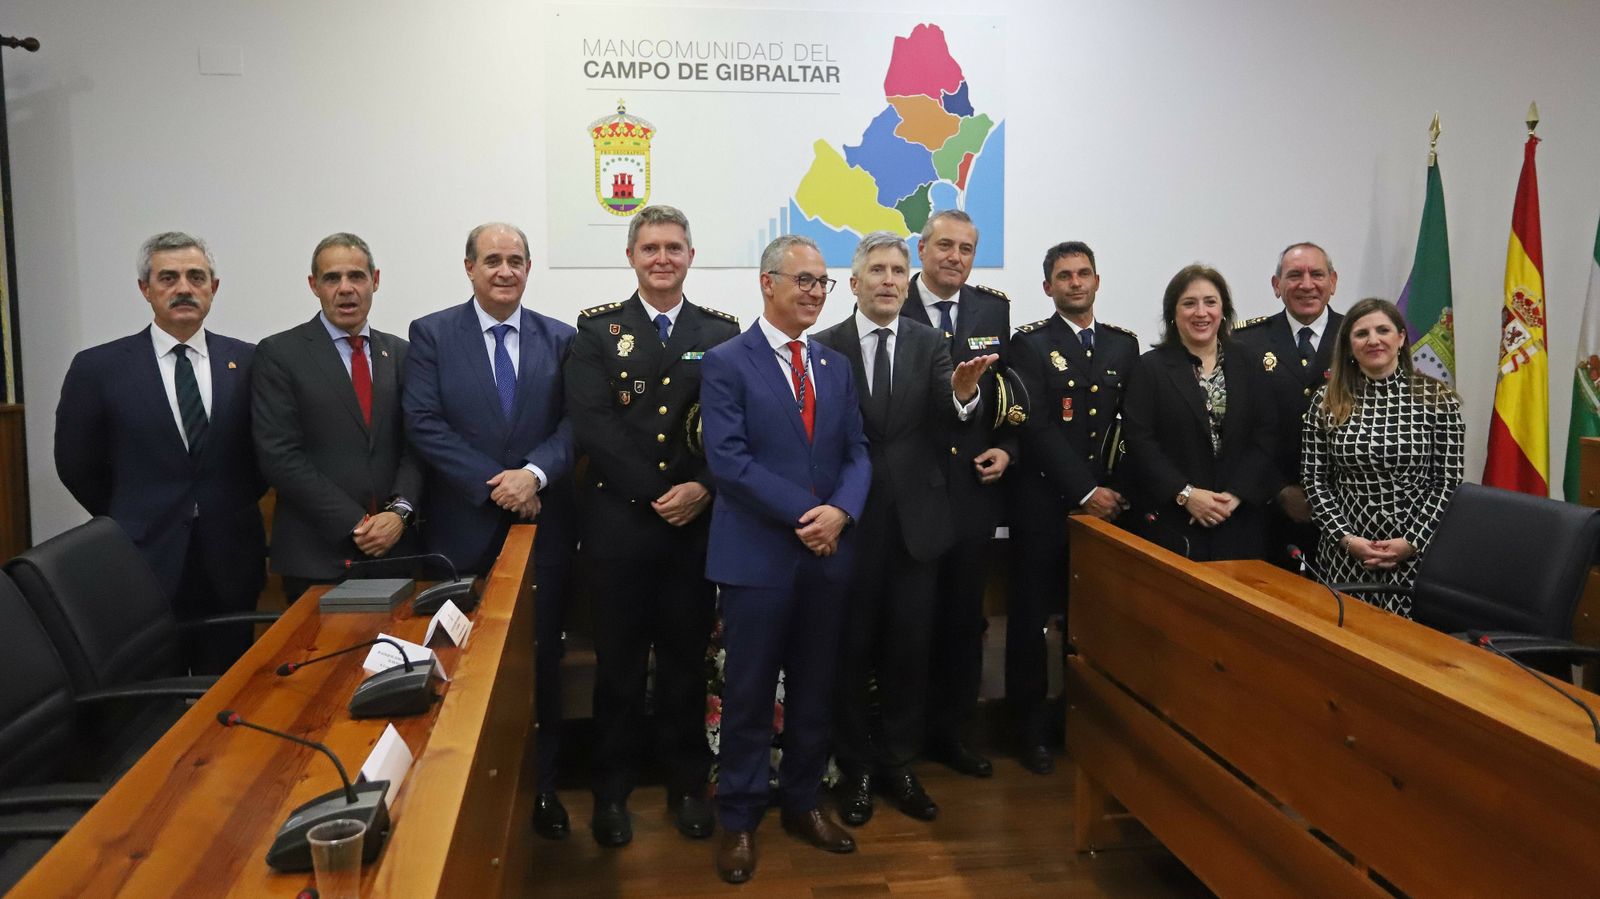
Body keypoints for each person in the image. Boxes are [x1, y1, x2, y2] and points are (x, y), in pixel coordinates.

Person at [564, 205, 739, 847]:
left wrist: (703, 487)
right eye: (650, 247)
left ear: (691, 256)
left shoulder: (721, 333)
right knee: (617, 668)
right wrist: (661, 491)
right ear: (632, 257)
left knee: (686, 667)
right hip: (620, 525)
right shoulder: (598, 332)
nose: (662, 258)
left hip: (694, 527)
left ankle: (687, 786)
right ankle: (611, 794)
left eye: (673, 247)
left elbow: (734, 427)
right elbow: (593, 426)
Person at [700, 235, 871, 884]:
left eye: (821, 282)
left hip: (826, 558)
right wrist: (810, 515)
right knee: (746, 695)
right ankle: (740, 818)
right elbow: (730, 461)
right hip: (757, 560)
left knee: (813, 689)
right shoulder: (725, 362)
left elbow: (858, 451)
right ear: (766, 283)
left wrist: (842, 512)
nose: (813, 292)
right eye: (802, 279)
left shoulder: (833, 366)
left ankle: (803, 800)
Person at [402, 222, 577, 838]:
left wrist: (531, 474)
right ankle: (456, 806)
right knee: (456, 671)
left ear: (529, 269)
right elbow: (422, 423)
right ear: (470, 268)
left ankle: (544, 790)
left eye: (517, 261)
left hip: (541, 532)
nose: (505, 271)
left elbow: (576, 425)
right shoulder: (431, 335)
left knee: (540, 668)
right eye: (493, 261)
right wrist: (496, 482)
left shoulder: (561, 339)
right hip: (460, 535)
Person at [814, 231, 992, 825]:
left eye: (898, 270)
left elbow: (948, 409)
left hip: (919, 524)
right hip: (853, 523)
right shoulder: (825, 346)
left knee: (909, 650)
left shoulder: (928, 341)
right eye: (879, 270)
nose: (891, 279)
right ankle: (857, 767)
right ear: (856, 281)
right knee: (849, 649)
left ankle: (898, 762)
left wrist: (964, 396)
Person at [55, 232, 266, 674]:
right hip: (143, 560)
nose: (183, 288)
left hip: (230, 558)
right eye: (168, 278)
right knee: (156, 710)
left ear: (214, 287)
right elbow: (76, 463)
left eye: (196, 277)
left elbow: (264, 454)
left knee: (230, 696)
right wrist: (132, 515)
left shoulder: (249, 362)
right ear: (145, 290)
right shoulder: (99, 368)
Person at [1006, 241, 1138, 774]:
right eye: (1064, 276)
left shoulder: (1123, 347)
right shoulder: (1029, 345)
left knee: (1096, 623)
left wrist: (1113, 492)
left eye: (1084, 274)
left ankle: (1085, 724)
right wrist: (1085, 491)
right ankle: (1030, 731)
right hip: (1043, 504)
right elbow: (1034, 426)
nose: (1075, 283)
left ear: (1097, 281)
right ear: (1048, 288)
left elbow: (1135, 428)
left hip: (1110, 510)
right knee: (1031, 623)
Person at [899, 209, 1014, 779]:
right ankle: (903, 738)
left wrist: (1008, 450)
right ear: (921, 249)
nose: (954, 257)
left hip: (971, 492)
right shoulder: (894, 300)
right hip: (914, 491)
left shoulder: (994, 309)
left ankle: (954, 733)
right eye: (944, 245)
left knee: (965, 621)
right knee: (910, 621)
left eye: (966, 249)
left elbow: (1010, 397)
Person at [252, 233, 422, 601]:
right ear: (314, 285)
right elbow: (280, 456)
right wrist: (357, 524)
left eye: (356, 276)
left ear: (375, 280)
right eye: (332, 278)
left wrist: (399, 514)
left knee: (396, 659)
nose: (346, 289)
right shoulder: (279, 354)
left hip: (395, 551)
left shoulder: (403, 354)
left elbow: (418, 445)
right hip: (317, 557)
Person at [1302, 297, 1465, 617]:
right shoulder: (1326, 400)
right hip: (1344, 554)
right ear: (1348, 346)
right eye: (1361, 333)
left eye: (1383, 330)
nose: (1373, 340)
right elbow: (1314, 480)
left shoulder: (1437, 399)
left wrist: (1412, 541)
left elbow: (1448, 482)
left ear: (1401, 338)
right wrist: (1346, 539)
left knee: (1408, 654)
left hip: (1416, 554)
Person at [1122, 264, 1277, 562]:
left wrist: (1234, 497)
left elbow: (1265, 434)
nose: (1201, 312)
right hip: (1174, 520)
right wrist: (1186, 495)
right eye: (1189, 303)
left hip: (1240, 518)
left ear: (1224, 310)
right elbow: (1140, 441)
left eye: (1210, 302)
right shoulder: (1150, 368)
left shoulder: (1249, 362)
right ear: (1173, 312)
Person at [1234, 243, 1345, 569]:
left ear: (1333, 282)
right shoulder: (1246, 343)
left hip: (1345, 510)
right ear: (1276, 285)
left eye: (1317, 274)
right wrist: (1278, 489)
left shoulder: (1359, 337)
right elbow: (1235, 428)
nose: (1306, 284)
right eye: (1294, 275)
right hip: (1264, 509)